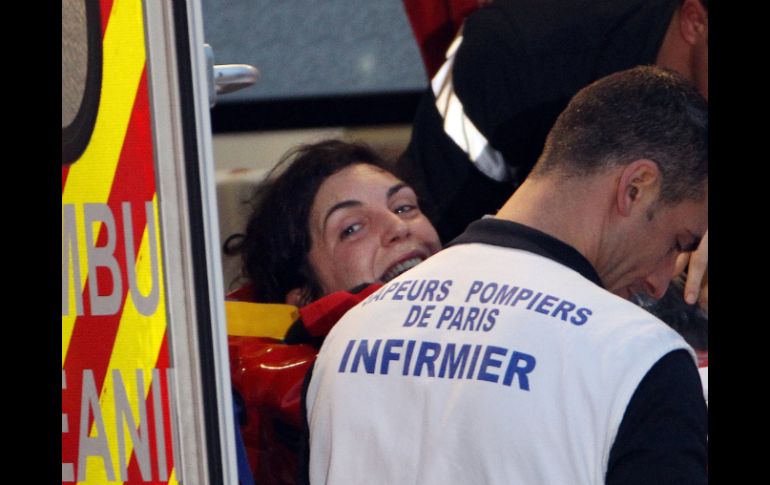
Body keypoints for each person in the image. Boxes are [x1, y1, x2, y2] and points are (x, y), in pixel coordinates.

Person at [304, 66, 708, 484]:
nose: (659, 282)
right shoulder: (637, 355)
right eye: (677, 242)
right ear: (635, 187)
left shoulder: (349, 337)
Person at [223, 139, 442, 485]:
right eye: (352, 228)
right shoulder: (300, 401)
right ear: (304, 298)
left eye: (403, 208)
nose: (398, 228)